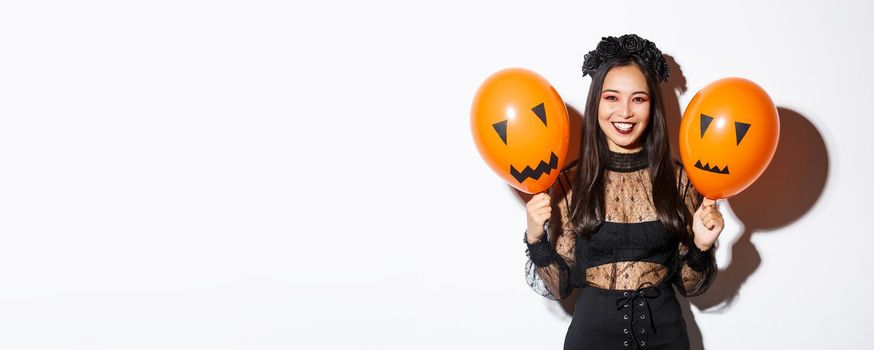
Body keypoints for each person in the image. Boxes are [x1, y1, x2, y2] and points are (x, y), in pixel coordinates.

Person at [523, 34, 724, 350]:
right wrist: (536, 238)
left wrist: (701, 245)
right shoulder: (569, 181)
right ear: (596, 103)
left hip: (667, 338)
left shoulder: (681, 179)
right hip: (591, 338)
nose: (625, 113)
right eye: (612, 98)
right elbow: (559, 286)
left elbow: (691, 287)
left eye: (638, 99)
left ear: (652, 105)